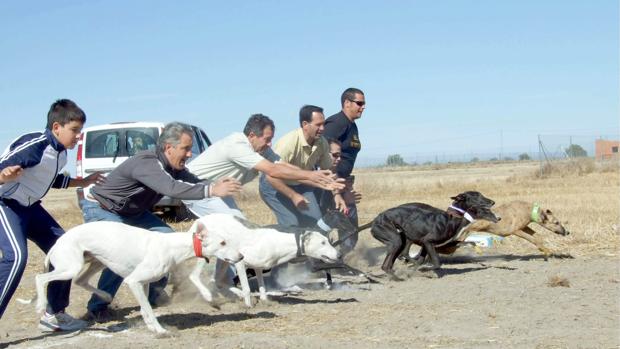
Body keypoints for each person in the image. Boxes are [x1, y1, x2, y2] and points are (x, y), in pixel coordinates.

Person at [79, 121, 241, 320]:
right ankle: (97, 308)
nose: (190, 154)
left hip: (133, 212)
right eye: (186, 149)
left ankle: (154, 293)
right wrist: (211, 190)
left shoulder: (172, 165)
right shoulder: (148, 162)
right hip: (103, 208)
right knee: (122, 255)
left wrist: (213, 184)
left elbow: (192, 181)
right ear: (168, 148)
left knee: (169, 239)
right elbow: (171, 188)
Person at [0, 99, 104, 332]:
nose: (78, 137)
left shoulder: (61, 154)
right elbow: (3, 170)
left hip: (31, 208)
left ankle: (54, 315)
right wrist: (4, 176)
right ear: (57, 127)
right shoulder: (33, 145)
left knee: (66, 250)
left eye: (80, 131)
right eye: (74, 130)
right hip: (5, 205)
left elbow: (52, 178)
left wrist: (83, 181)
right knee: (15, 258)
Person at [183, 113, 342, 219]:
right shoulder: (236, 145)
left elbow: (283, 166)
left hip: (219, 191)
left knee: (237, 228)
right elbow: (272, 170)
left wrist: (321, 181)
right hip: (196, 187)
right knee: (236, 227)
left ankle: (229, 271)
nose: (270, 143)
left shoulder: (260, 149)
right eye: (267, 139)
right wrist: (310, 175)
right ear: (252, 136)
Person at [258, 105, 345, 227]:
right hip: (273, 184)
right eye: (318, 125)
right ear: (305, 124)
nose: (322, 128)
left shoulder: (322, 143)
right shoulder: (288, 143)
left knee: (316, 223)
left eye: (323, 124)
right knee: (291, 224)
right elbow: (271, 176)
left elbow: (328, 170)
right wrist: (293, 196)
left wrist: (337, 194)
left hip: (300, 183)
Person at [323, 88, 366, 250]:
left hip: (343, 183)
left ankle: (341, 258)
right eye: (359, 103)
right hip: (330, 184)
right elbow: (323, 155)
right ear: (347, 103)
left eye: (364, 104)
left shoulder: (351, 126)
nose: (363, 107)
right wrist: (336, 187)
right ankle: (326, 260)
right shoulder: (337, 123)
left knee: (349, 227)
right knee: (341, 225)